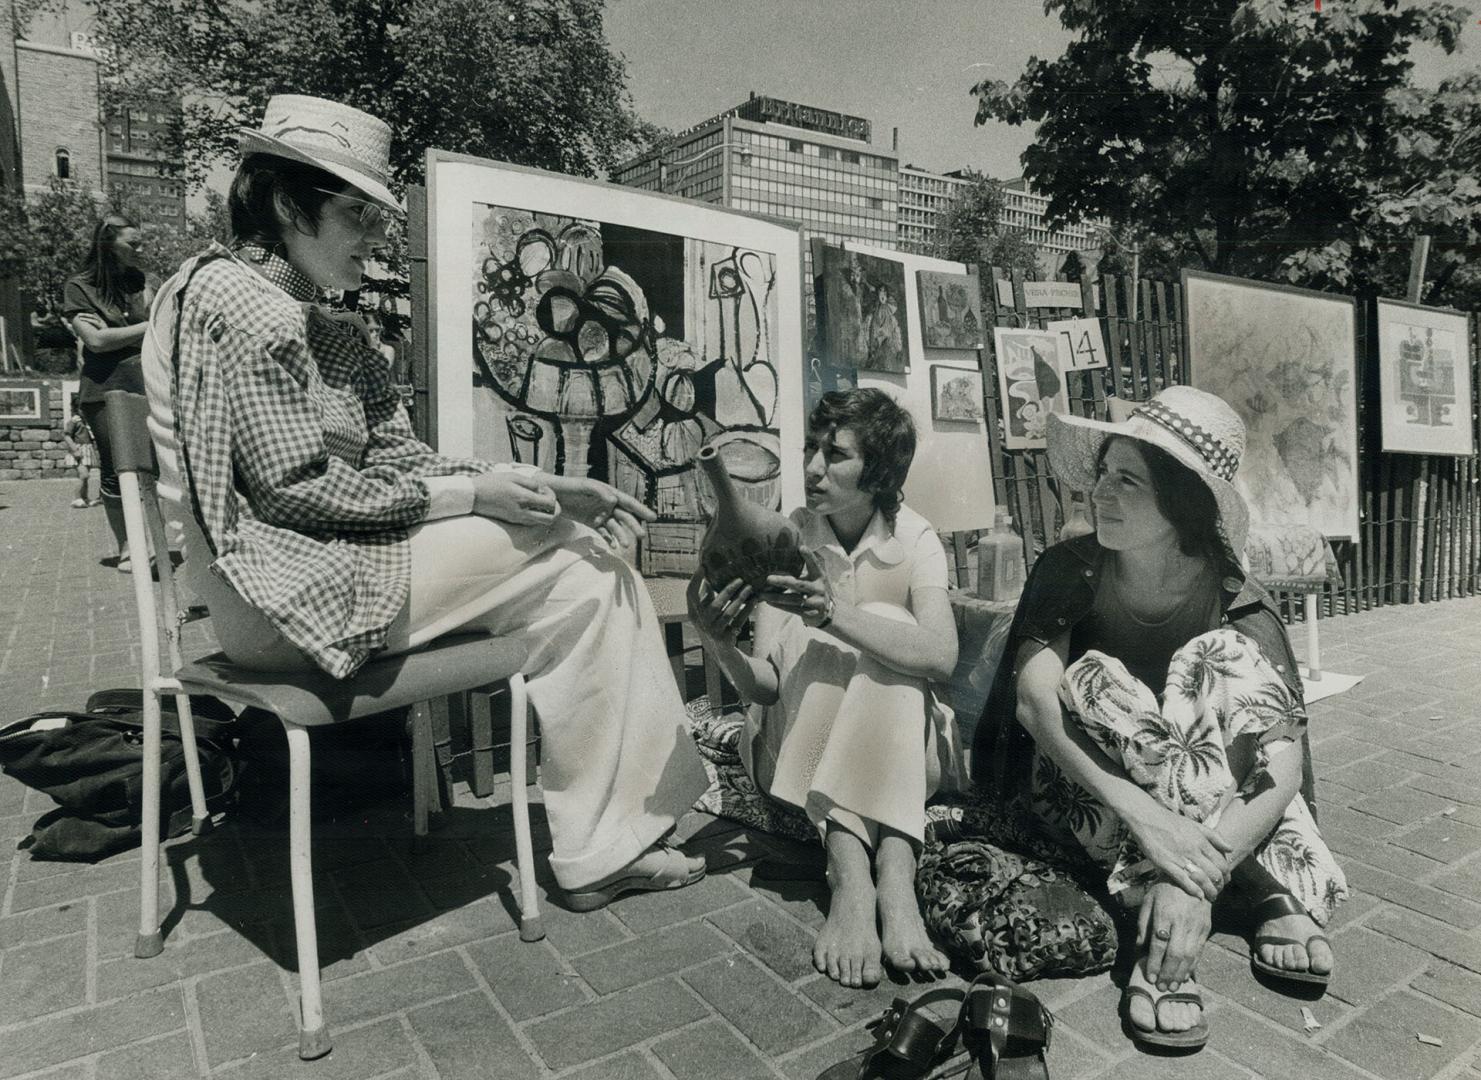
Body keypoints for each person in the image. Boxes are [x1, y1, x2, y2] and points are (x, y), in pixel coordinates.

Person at [142, 94, 710, 911]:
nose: (376, 237)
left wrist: (540, 487)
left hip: (309, 573)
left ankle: (604, 847)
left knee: (585, 584)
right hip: (276, 597)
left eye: (378, 216)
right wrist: (478, 496)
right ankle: (607, 840)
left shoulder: (301, 313)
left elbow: (403, 457)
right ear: (279, 202)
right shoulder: (241, 302)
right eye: (353, 214)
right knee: (585, 559)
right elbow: (292, 488)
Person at [973, 386, 1347, 1050]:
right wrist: (1150, 821)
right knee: (1091, 681)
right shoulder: (1068, 569)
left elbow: (1281, 766)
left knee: (1216, 660)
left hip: (1204, 806)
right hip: (1093, 786)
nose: (1100, 494)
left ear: (1184, 504)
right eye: (1103, 475)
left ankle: (1174, 918)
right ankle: (1259, 893)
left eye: (1128, 481)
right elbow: (1034, 704)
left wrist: (1187, 873)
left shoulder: (1236, 599)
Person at [689, 388, 967, 988]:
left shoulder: (914, 538)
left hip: (907, 754)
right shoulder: (788, 535)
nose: (813, 468)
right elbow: (765, 688)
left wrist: (833, 613)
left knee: (889, 628)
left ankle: (891, 870)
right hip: (796, 746)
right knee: (827, 651)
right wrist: (720, 645)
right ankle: (854, 867)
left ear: (880, 474)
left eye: (834, 455)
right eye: (811, 449)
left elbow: (943, 656)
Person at [63, 214, 153, 568]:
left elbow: (158, 325)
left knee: (155, 467)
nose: (140, 250)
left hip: (145, 381)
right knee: (117, 469)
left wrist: (127, 331)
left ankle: (155, 540)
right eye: (133, 243)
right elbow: (97, 341)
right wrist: (144, 327)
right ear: (107, 244)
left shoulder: (138, 281)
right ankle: (129, 546)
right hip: (104, 389)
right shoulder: (79, 286)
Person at [61, 395, 101, 508]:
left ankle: (85, 497)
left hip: (87, 450)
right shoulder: (74, 421)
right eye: (81, 408)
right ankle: (77, 498)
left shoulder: (86, 421)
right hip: (78, 450)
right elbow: (67, 436)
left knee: (86, 476)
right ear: (75, 408)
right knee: (84, 475)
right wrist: (75, 450)